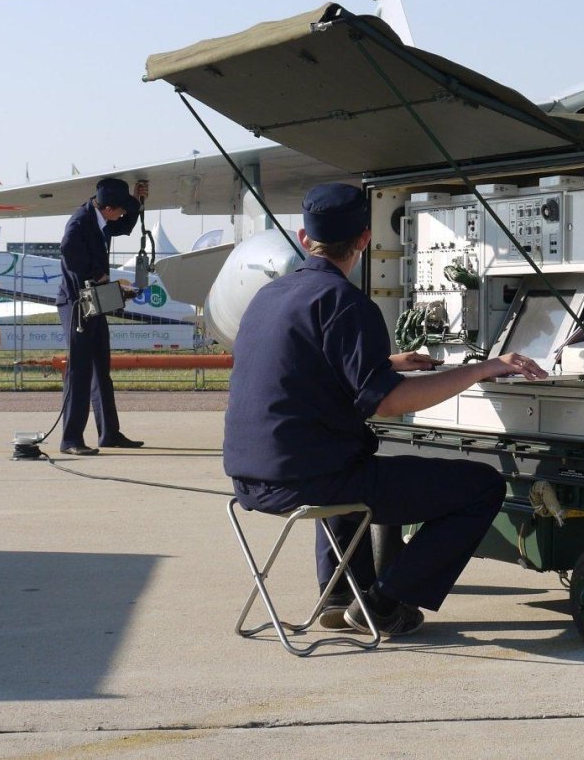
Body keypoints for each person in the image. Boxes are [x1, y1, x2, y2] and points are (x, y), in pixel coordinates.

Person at [224, 183, 547, 637]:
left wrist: (387, 364)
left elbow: (305, 367)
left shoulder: (270, 297)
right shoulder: (346, 303)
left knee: (341, 456)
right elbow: (390, 404)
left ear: (303, 239)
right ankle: (381, 603)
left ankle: (339, 594)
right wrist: (482, 369)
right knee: (481, 487)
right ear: (364, 240)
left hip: (251, 479)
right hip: (310, 480)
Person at [56, 177, 148, 455]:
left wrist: (139, 203)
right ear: (108, 208)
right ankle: (70, 439)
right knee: (80, 371)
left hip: (93, 301)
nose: (121, 215)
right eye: (120, 210)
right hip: (77, 305)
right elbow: (68, 251)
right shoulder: (80, 223)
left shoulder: (100, 219)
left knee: (100, 370)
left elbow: (125, 225)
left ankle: (109, 433)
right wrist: (99, 275)